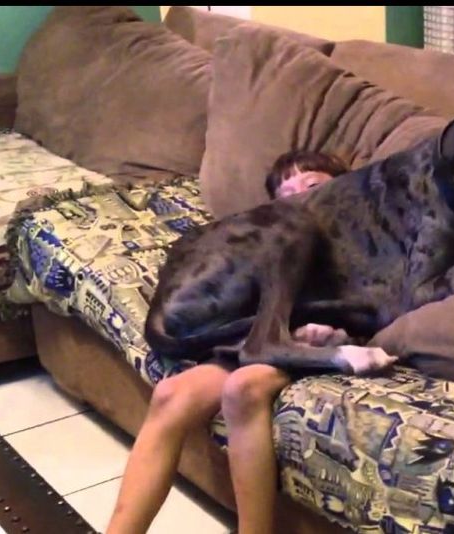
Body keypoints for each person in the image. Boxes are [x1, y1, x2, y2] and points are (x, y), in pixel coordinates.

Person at [106, 150, 350, 534]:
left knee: (242, 387)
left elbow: (374, 304)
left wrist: (337, 333)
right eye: (287, 194)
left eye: (313, 184)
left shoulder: (359, 238)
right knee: (170, 395)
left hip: (306, 347)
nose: (301, 196)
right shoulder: (275, 239)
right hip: (254, 337)